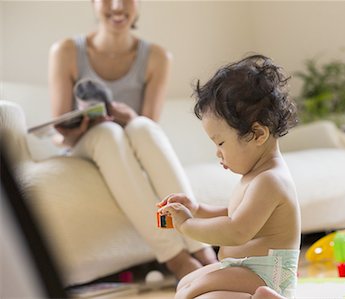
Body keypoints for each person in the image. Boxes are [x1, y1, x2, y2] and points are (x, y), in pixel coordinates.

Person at [48, 0, 217, 280]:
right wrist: (84, 125)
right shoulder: (66, 51)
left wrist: (128, 116)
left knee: (142, 127)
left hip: (130, 141)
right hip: (86, 144)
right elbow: (60, 130)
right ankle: (175, 258)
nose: (117, 5)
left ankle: (201, 249)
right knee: (107, 133)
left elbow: (148, 126)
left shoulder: (157, 57)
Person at [158, 54, 301, 299]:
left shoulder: (270, 180)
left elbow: (237, 230)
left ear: (258, 134)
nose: (218, 153)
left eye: (221, 142)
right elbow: (234, 214)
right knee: (186, 285)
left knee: (195, 294)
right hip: (248, 271)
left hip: (269, 276)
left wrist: (187, 225)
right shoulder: (256, 175)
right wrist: (197, 208)